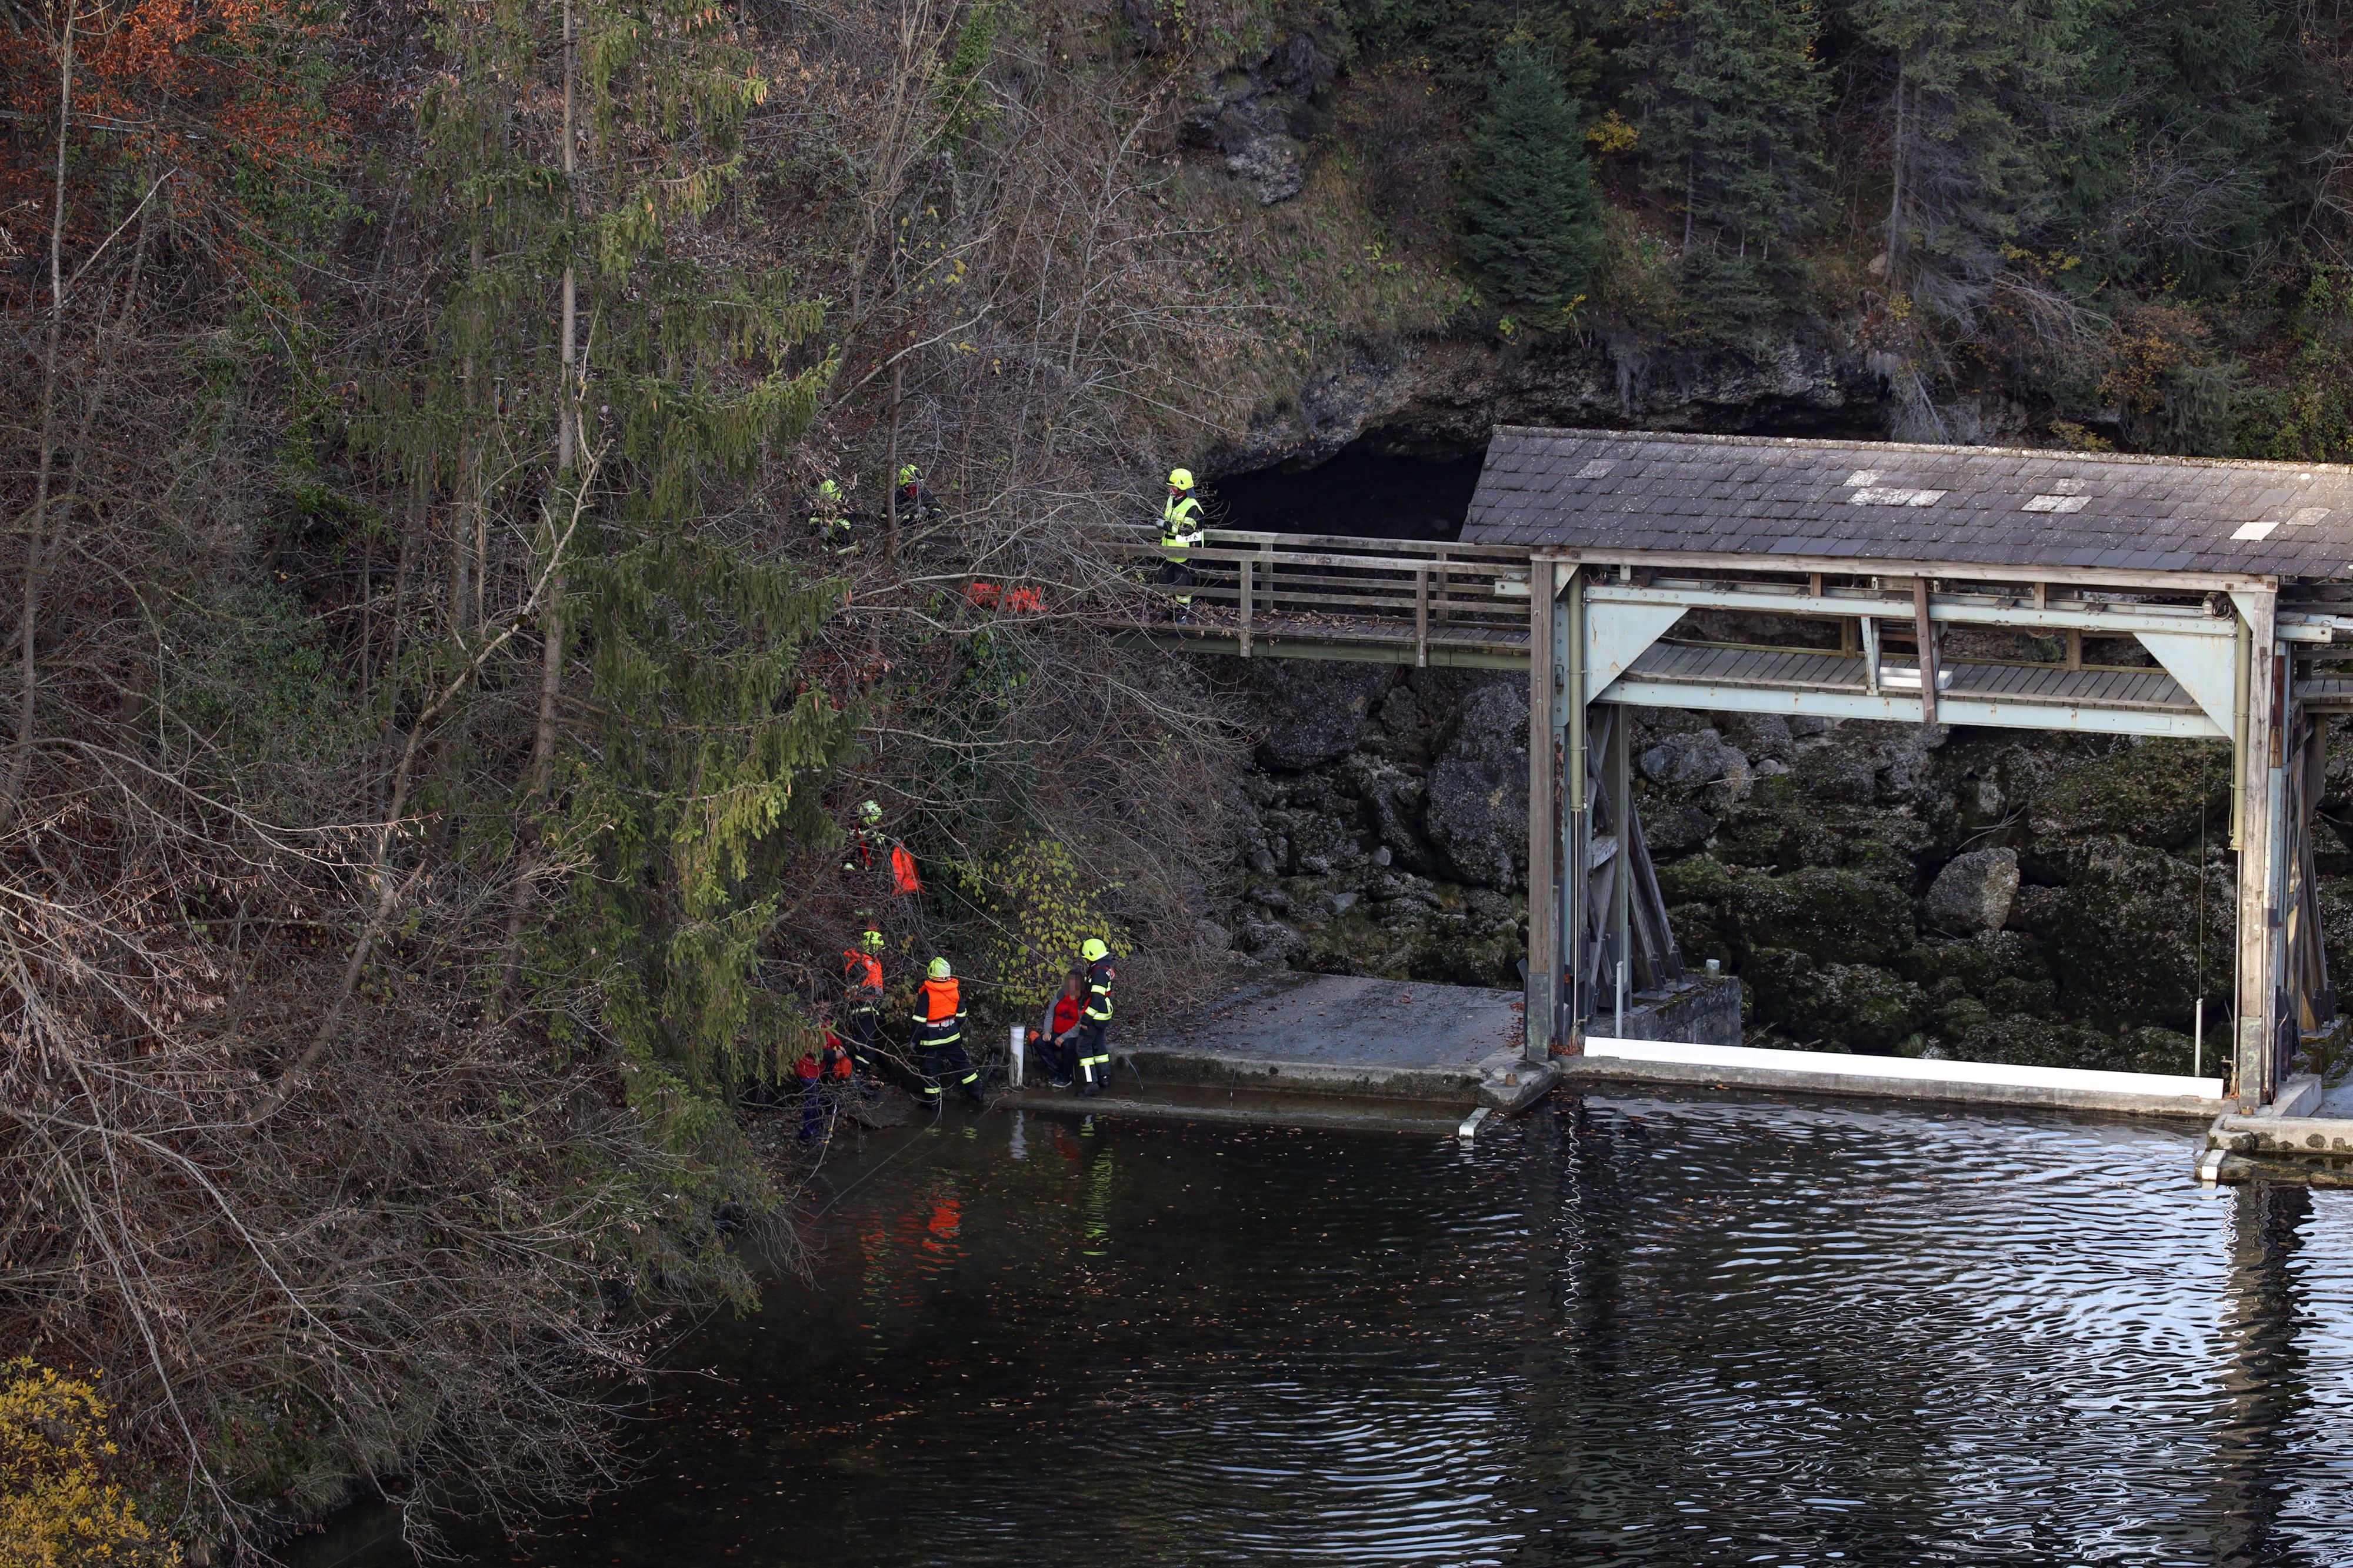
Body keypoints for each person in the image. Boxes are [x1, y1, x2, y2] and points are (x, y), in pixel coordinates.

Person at [912, 956, 982, 1106]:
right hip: (952, 1037)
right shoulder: (954, 989)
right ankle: (977, 1094)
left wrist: (913, 1041)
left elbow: (919, 1022)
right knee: (963, 1065)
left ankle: (934, 1104)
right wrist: (952, 1027)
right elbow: (962, 1015)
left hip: (932, 1041)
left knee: (930, 1071)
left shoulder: (927, 993)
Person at [795, 1015, 854, 1143]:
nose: (825, 1009)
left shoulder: (825, 1021)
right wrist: (833, 1055)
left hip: (820, 1069)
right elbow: (812, 1050)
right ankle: (806, 1135)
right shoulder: (808, 1025)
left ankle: (818, 1129)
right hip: (808, 1070)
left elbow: (830, 1038)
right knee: (813, 1103)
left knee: (821, 1100)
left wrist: (839, 1046)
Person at [1158, 468, 1205, 621]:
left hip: (1187, 552)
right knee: (1166, 583)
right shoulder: (1172, 500)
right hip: (1169, 550)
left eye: (1174, 487)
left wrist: (1165, 525)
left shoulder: (1193, 507)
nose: (1171, 490)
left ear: (1183, 488)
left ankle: (1182, 614)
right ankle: (1169, 610)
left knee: (1182, 585)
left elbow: (1187, 530)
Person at [841, 926, 886, 1076]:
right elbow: (854, 989)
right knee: (866, 1046)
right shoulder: (859, 963)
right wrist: (873, 993)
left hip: (869, 1009)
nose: (880, 951)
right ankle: (858, 1076)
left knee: (868, 1045)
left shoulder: (871, 962)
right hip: (860, 1009)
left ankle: (861, 1076)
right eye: (878, 948)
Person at [1073, 938, 1115, 1097]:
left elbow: (1097, 998)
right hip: (1104, 1014)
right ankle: (1104, 1078)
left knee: (1083, 1048)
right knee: (1099, 1046)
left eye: (1086, 957)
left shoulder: (1097, 972)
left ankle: (1091, 1084)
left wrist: (1086, 1020)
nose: (1085, 960)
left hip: (1095, 1015)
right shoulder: (1104, 968)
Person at [1036, 968, 1085, 1090]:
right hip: (1056, 1033)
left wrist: (1064, 1037)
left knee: (1068, 1046)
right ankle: (1060, 1072)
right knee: (1039, 1042)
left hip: (1072, 1036)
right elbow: (1050, 1014)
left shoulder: (1083, 1000)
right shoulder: (1061, 994)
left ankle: (1065, 1077)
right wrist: (1047, 1031)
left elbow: (1081, 1024)